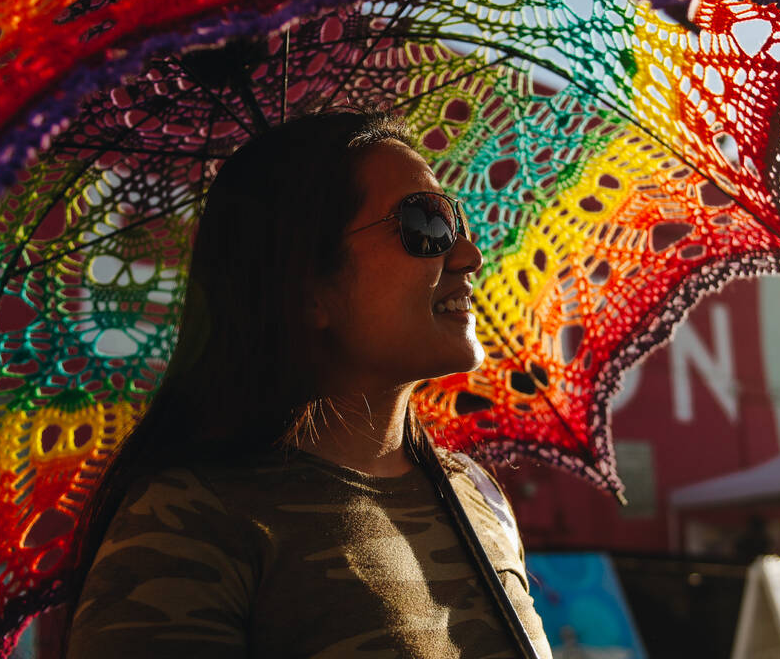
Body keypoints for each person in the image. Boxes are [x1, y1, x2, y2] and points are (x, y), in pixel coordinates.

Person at [65, 109, 552, 658]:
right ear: (307, 289)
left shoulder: (477, 496)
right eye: (426, 226)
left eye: (457, 227)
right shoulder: (191, 524)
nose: (468, 255)